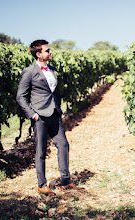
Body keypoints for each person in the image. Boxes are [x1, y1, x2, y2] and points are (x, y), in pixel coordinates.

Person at [16, 39, 83, 195]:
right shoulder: (29, 71)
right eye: (47, 50)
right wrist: (32, 115)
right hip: (39, 117)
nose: (50, 52)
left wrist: (58, 108)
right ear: (39, 54)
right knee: (41, 151)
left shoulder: (52, 69)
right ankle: (42, 184)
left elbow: (54, 92)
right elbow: (20, 96)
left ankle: (66, 181)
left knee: (63, 145)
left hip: (54, 114)